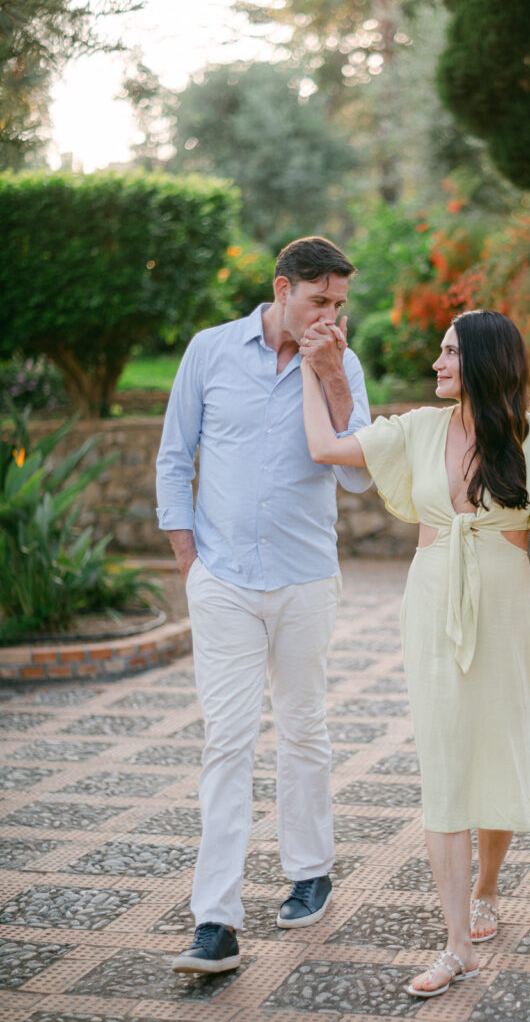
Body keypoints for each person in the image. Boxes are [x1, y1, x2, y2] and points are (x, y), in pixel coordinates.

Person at [301, 308, 530, 998]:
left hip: (507, 608)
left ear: (484, 361)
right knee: (446, 766)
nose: (437, 363)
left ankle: (487, 888)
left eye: (451, 352)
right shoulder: (417, 429)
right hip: (430, 602)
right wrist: (312, 367)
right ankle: (456, 943)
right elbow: (325, 449)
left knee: (498, 751)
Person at [155, 236, 371, 974]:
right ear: (283, 290)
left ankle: (310, 870)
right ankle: (215, 919)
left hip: (306, 578)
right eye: (319, 301)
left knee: (304, 726)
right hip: (223, 581)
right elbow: (174, 457)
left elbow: (360, 479)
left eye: (340, 304)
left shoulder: (342, 362)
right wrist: (192, 567)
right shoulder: (210, 352)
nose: (331, 316)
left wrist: (332, 374)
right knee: (228, 740)